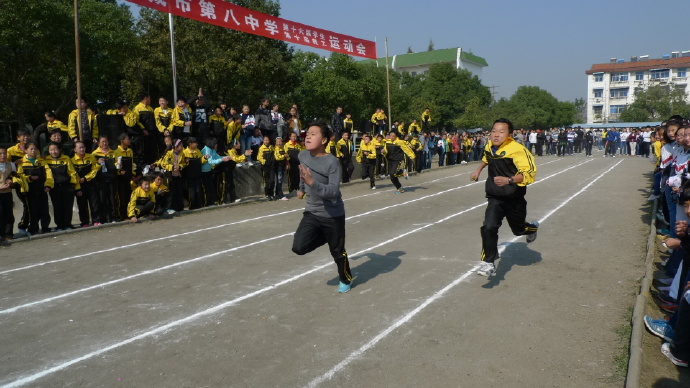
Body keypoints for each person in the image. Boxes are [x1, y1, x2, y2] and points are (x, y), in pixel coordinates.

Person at [470, 118, 539, 276]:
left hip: (514, 198)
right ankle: (488, 263)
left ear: (510, 134)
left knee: (518, 230)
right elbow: (486, 158)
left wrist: (509, 180)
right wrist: (478, 171)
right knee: (489, 227)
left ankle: (532, 228)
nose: (496, 135)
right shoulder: (489, 146)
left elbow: (529, 174)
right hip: (495, 196)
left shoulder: (517, 150)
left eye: (501, 132)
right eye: (494, 131)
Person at [291, 121, 353, 293]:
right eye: (307, 134)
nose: (308, 136)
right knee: (298, 247)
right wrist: (302, 188)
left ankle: (345, 278)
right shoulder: (303, 155)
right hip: (312, 211)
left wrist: (312, 183)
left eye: (313, 134)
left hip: (333, 214)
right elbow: (303, 174)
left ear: (324, 140)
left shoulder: (332, 162)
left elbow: (333, 191)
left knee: (338, 253)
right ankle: (328, 237)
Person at [16, 143, 52, 235]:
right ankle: (33, 229)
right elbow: (20, 176)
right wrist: (29, 178)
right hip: (29, 191)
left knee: (44, 210)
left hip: (42, 190)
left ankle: (45, 227)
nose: (33, 151)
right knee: (33, 211)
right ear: (26, 150)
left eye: (35, 149)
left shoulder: (42, 161)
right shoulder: (21, 162)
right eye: (31, 149)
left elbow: (49, 174)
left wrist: (48, 185)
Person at [45, 142, 80, 231]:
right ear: (48, 151)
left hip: (67, 186)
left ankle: (68, 224)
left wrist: (73, 185)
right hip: (54, 187)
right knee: (57, 207)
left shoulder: (66, 158)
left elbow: (72, 172)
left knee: (67, 206)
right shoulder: (46, 160)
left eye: (56, 149)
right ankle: (59, 226)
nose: (54, 152)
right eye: (51, 150)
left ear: (60, 150)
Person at [71, 141, 101, 227]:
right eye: (79, 148)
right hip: (80, 185)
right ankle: (84, 222)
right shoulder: (72, 161)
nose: (82, 149)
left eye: (83, 147)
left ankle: (96, 220)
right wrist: (77, 188)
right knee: (82, 205)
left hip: (91, 183)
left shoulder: (91, 157)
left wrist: (86, 178)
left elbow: (95, 169)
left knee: (94, 203)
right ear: (75, 150)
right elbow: (73, 174)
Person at [92, 136, 119, 223]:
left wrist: (119, 165)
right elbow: (93, 168)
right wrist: (98, 163)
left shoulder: (113, 152)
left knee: (112, 198)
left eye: (106, 141)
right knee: (102, 199)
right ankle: (104, 218)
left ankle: (114, 217)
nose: (105, 143)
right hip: (101, 180)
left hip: (112, 178)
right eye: (102, 142)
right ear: (98, 143)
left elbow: (116, 165)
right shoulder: (94, 154)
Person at [113, 133, 135, 220]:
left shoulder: (130, 151)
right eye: (127, 139)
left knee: (128, 196)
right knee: (121, 197)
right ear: (122, 141)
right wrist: (119, 171)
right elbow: (115, 164)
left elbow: (132, 164)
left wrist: (132, 174)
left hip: (128, 178)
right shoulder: (116, 152)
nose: (129, 141)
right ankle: (122, 216)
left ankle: (128, 214)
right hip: (120, 178)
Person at [0, 147, 18, 241]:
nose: (3, 155)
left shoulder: (11, 165)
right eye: (0, 154)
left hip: (7, 192)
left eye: (4, 153)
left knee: (9, 214)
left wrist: (11, 181)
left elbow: (15, 176)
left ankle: (8, 234)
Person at [183, 137, 206, 209]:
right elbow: (182, 163)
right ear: (190, 144)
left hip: (197, 174)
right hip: (189, 176)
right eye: (195, 143)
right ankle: (192, 206)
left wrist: (205, 158)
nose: (197, 144)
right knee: (191, 192)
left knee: (198, 190)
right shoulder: (184, 152)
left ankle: (199, 205)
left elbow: (201, 161)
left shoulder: (198, 151)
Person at [257, 136, 276, 200]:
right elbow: (259, 157)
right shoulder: (261, 148)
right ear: (263, 141)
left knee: (272, 180)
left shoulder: (271, 147)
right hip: (265, 167)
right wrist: (264, 162)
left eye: (267, 140)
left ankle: (271, 193)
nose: (266, 141)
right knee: (266, 181)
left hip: (272, 166)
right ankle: (267, 194)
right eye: (265, 140)